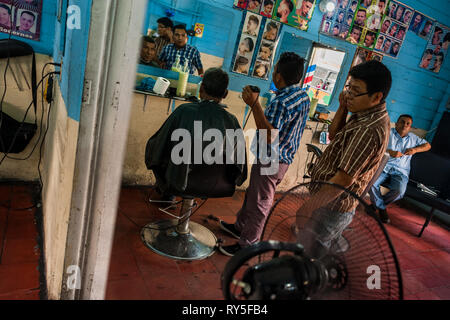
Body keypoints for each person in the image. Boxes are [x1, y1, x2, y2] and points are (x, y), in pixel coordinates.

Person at [295, 60, 392, 258]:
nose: (349, 94)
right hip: (326, 200)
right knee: (313, 248)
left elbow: (343, 180)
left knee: (310, 255)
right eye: (349, 87)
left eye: (355, 91)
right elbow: (333, 135)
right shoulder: (363, 113)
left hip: (332, 207)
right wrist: (343, 106)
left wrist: (308, 206)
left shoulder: (369, 129)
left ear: (377, 96)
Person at [218, 52, 311, 256]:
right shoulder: (303, 96)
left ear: (278, 76)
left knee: (261, 202)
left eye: (274, 70)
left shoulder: (281, 102)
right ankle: (240, 227)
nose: (273, 75)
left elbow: (269, 135)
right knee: (254, 193)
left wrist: (255, 105)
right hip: (283, 158)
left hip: (271, 158)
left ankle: (247, 245)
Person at [145, 68, 247, 207]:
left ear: (201, 89)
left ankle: (168, 194)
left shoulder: (184, 111)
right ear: (226, 93)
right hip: (215, 185)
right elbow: (240, 164)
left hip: (180, 182)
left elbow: (157, 146)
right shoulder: (232, 121)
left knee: (160, 150)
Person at [369, 115, 431, 223]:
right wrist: (389, 152)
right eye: (402, 122)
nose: (405, 125)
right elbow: (375, 146)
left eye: (408, 124)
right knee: (370, 183)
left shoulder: (413, 138)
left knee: (399, 191)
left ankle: (377, 205)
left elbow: (428, 146)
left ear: (410, 127)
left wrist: (415, 150)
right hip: (384, 167)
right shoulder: (387, 132)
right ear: (396, 123)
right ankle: (382, 208)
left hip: (401, 171)